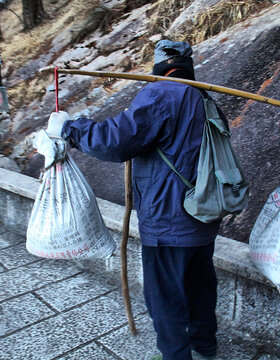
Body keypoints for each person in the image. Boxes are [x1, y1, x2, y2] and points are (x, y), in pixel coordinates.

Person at [46, 40, 222, 360]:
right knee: (199, 286)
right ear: (187, 65)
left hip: (169, 219)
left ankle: (175, 356)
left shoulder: (160, 94)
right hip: (204, 213)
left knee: (165, 298)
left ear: (158, 66)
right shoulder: (203, 97)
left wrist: (69, 128)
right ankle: (205, 346)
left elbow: (116, 141)